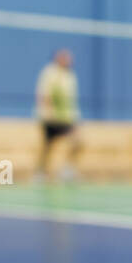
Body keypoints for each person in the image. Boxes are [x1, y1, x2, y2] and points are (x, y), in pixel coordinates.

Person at [34, 48, 82, 181]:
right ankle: (40, 173)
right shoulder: (50, 72)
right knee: (47, 146)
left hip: (66, 118)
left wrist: (75, 118)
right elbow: (44, 94)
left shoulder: (70, 75)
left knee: (77, 141)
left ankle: (67, 170)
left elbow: (71, 100)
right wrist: (47, 113)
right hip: (50, 117)